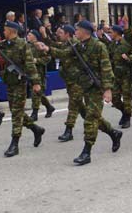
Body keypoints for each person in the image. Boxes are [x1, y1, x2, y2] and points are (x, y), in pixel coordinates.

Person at [38, 20, 122, 165]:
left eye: (77, 29)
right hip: (84, 85)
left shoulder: (98, 46)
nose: (75, 32)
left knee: (90, 119)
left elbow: (106, 68)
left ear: (84, 31)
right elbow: (64, 54)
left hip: (96, 88)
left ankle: (86, 151)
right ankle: (113, 133)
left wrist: (108, 90)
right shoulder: (77, 46)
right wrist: (47, 49)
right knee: (94, 117)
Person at [0, 21, 45, 158]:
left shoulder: (23, 45)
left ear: (11, 31)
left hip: (20, 83)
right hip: (10, 82)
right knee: (16, 111)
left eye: (5, 30)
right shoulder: (5, 44)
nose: (3, 32)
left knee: (16, 113)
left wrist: (35, 82)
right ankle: (36, 129)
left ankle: (14, 143)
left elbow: (29, 64)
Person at [39, 24, 86, 142]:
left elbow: (63, 53)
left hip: (78, 80)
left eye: (61, 33)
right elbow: (55, 45)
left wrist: (48, 49)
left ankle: (68, 130)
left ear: (67, 34)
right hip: (70, 79)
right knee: (79, 104)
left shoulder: (75, 44)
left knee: (73, 105)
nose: (58, 35)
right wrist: (45, 37)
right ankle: (94, 121)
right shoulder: (66, 43)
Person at [98, 25, 132, 129]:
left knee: (127, 98)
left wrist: (128, 58)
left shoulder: (126, 43)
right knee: (115, 98)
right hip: (115, 75)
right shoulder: (112, 44)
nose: (110, 34)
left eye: (111, 32)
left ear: (116, 33)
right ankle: (125, 113)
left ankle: (127, 118)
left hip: (125, 76)